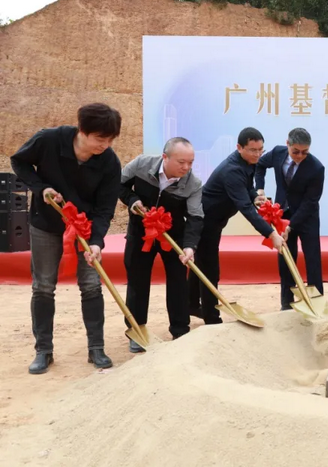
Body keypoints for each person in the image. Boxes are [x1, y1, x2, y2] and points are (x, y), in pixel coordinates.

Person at [10, 103, 122, 374]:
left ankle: (96, 347)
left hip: (85, 228)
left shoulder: (109, 161)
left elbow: (106, 208)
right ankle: (43, 351)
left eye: (109, 140)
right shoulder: (49, 139)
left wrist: (96, 241)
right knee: (44, 286)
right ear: (82, 130)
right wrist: (41, 188)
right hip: (46, 224)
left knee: (92, 285)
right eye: (99, 138)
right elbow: (19, 161)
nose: (104, 145)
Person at [120, 137, 203, 352]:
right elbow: (118, 185)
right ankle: (136, 330)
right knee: (137, 281)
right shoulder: (141, 165)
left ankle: (180, 330)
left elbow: (195, 217)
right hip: (141, 233)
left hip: (172, 236)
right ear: (165, 157)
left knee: (178, 282)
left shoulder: (193, 184)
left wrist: (189, 246)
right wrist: (132, 200)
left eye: (191, 162)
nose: (186, 167)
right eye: (181, 162)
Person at [189, 127, 279, 324]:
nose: (257, 154)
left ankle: (191, 303)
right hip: (204, 221)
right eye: (253, 150)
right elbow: (245, 208)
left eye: (260, 150)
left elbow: (247, 188)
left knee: (202, 263)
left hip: (216, 220)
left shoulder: (248, 162)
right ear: (239, 147)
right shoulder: (232, 170)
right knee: (210, 268)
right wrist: (271, 233)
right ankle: (212, 319)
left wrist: (256, 196)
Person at [255, 128, 325, 310]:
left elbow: (311, 201)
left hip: (307, 217)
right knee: (286, 258)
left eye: (305, 152)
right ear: (288, 144)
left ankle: (316, 303)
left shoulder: (316, 168)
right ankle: (287, 303)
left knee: (312, 259)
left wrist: (292, 225)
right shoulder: (278, 153)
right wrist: (260, 188)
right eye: (296, 151)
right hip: (281, 214)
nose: (300, 156)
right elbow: (260, 165)